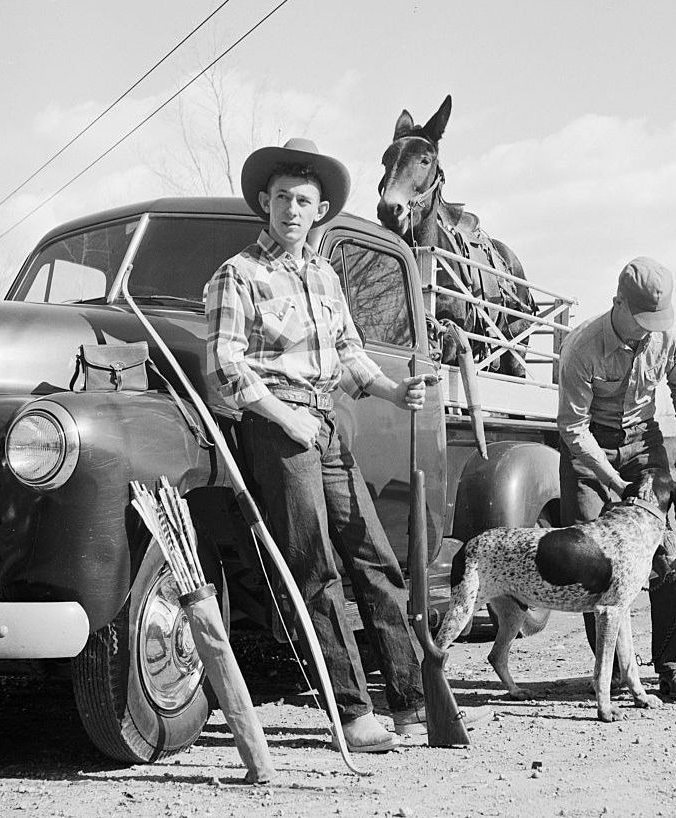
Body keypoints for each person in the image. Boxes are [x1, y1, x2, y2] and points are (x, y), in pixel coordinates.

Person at [206, 138, 485, 752]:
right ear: (265, 202)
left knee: (376, 560)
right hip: (280, 432)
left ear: (321, 210)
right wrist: (284, 417)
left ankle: (411, 701)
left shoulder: (326, 274)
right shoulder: (237, 274)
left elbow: (350, 354)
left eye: (304, 201)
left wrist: (395, 391)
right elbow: (225, 366)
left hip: (327, 424)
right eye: (282, 198)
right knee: (315, 569)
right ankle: (354, 714)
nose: (292, 210)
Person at [556, 256, 676, 701]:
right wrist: (614, 484)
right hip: (590, 447)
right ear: (617, 302)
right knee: (591, 557)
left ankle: (673, 665)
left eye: (655, 322)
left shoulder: (668, 338)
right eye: (641, 320)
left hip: (643, 441)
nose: (647, 331)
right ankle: (616, 670)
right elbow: (574, 429)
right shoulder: (581, 348)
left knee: (669, 550)